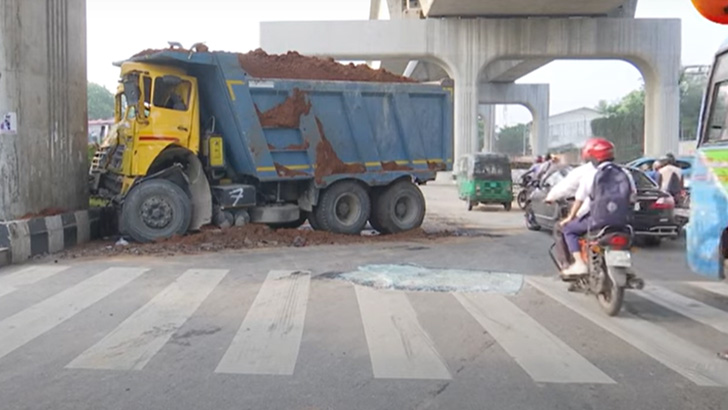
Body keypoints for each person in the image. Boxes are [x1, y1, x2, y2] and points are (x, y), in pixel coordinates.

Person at [558, 138, 637, 276]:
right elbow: (633, 196)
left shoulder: (591, 175)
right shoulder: (626, 174)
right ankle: (625, 266)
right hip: (623, 221)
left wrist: (570, 217)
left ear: (593, 158)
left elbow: (579, 199)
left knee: (568, 229)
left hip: (597, 221)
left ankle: (579, 264)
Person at [544, 159, 597, 269]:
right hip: (622, 221)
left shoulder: (587, 173)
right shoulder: (622, 172)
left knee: (563, 228)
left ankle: (568, 264)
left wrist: (550, 197)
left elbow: (569, 190)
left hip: (594, 218)